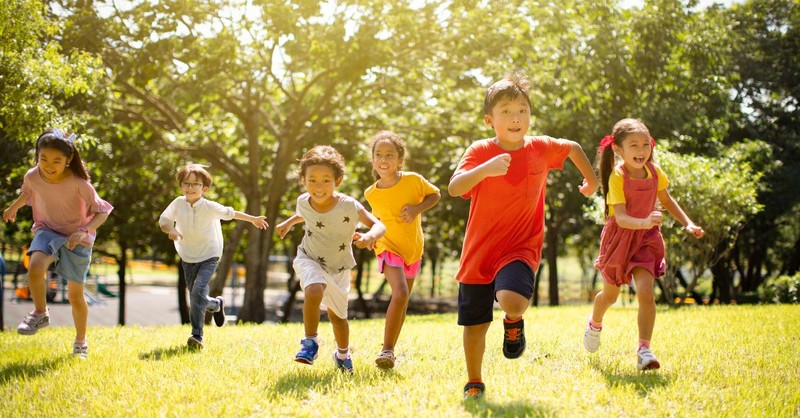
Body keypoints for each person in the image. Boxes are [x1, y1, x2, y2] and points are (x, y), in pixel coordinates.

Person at [448, 73, 599, 399]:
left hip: (520, 246)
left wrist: (592, 181)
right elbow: (455, 187)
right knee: (475, 324)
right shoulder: (479, 150)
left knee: (513, 300)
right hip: (478, 252)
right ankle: (474, 380)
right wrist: (483, 170)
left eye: (522, 110)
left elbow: (572, 147)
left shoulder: (540, 148)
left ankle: (513, 320)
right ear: (490, 120)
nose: (516, 118)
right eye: (506, 111)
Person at [584, 118, 704, 370]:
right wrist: (646, 221)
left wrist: (688, 223)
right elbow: (622, 218)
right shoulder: (617, 176)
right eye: (634, 145)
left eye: (645, 145)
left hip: (646, 240)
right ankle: (594, 324)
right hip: (620, 239)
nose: (641, 151)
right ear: (618, 150)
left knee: (646, 293)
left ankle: (644, 349)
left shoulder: (655, 171)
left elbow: (667, 200)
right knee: (610, 295)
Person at [3, 128, 114, 359]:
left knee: (75, 296)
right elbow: (28, 192)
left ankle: (80, 342)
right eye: (43, 159)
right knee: (34, 267)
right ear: (37, 156)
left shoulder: (79, 183)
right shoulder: (33, 175)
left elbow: (102, 212)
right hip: (48, 229)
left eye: (56, 160)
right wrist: (15, 206)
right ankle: (40, 312)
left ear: (68, 159)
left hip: (77, 237)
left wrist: (85, 231)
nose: (48, 165)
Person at [276, 145, 386, 373]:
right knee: (314, 289)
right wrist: (288, 222)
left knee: (338, 319)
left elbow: (378, 224)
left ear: (338, 180)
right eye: (312, 180)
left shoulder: (348, 205)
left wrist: (369, 236)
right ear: (303, 180)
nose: (318, 187)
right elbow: (304, 214)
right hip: (309, 257)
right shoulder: (303, 201)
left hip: (339, 267)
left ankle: (342, 355)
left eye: (326, 180)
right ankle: (310, 342)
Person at [159, 163, 268, 350]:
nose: (190, 188)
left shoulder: (209, 207)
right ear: (181, 186)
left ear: (205, 188)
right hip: (187, 256)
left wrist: (253, 219)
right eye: (186, 183)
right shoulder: (178, 203)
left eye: (195, 184)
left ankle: (197, 336)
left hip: (210, 255)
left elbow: (231, 213)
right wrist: (172, 230)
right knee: (196, 295)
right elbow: (164, 220)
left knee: (197, 292)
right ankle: (215, 304)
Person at [364, 131, 441, 369]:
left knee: (403, 299)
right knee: (400, 293)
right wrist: (368, 236)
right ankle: (386, 349)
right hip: (387, 246)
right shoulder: (371, 193)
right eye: (379, 155)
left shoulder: (413, 180)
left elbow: (435, 194)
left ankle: (390, 353)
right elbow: (375, 220)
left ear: (400, 160)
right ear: (373, 159)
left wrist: (417, 209)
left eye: (389, 155)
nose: (383, 159)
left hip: (413, 249)